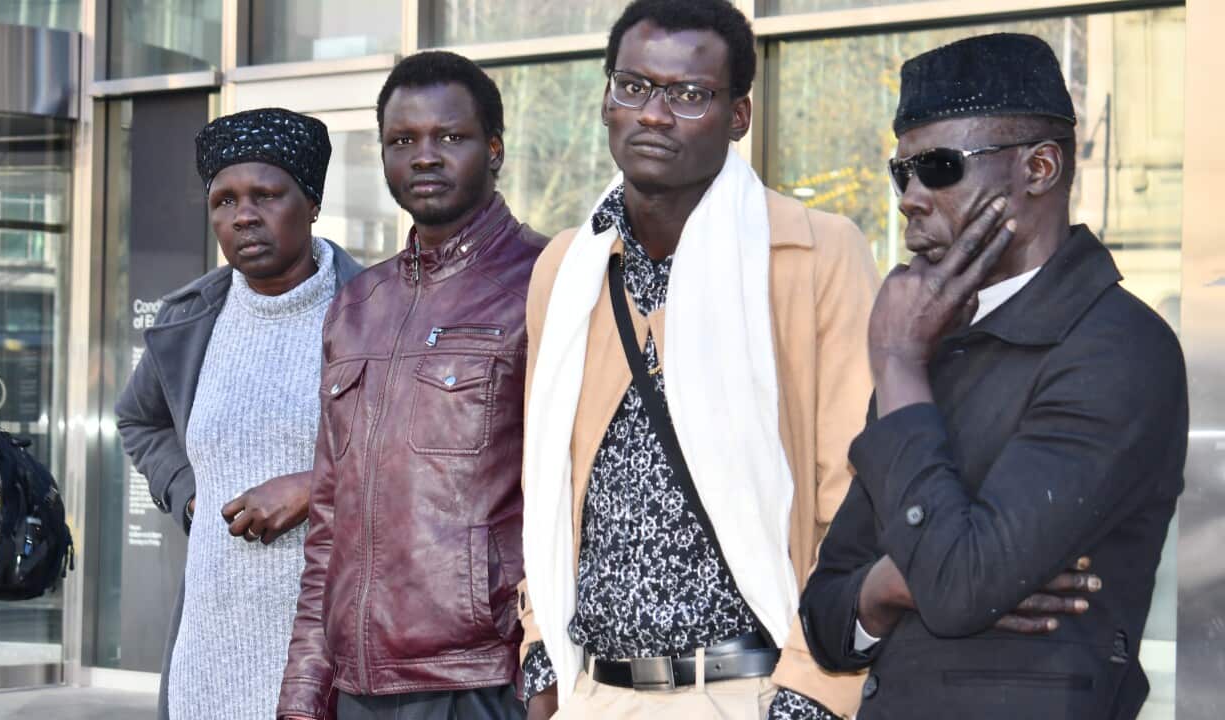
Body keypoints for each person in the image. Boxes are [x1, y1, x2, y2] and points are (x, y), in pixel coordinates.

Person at [800, 33, 1188, 720]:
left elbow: (955, 588)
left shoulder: (1118, 347)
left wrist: (894, 365)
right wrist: (891, 585)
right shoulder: (931, 343)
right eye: (902, 173)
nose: (910, 199)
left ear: (1039, 167)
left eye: (939, 167)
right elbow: (827, 617)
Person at [517, 1, 879, 718]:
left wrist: (816, 691)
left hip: (752, 690)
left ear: (739, 115)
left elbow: (856, 492)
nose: (653, 114)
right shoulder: (568, 267)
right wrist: (539, 657)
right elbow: (545, 480)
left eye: (688, 95)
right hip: (593, 690)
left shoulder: (815, 252)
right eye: (633, 86)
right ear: (605, 98)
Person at [277, 51, 547, 720]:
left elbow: (575, 499)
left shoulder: (545, 282)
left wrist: (545, 673)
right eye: (403, 141)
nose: (424, 156)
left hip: (483, 677)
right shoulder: (358, 304)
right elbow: (331, 518)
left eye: (449, 137)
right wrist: (305, 689)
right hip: (360, 682)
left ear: (495, 148)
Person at [115, 107, 363, 720]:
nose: (242, 215)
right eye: (223, 200)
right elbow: (137, 421)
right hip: (208, 642)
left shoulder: (373, 311)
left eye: (265, 195)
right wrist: (188, 494)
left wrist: (313, 488)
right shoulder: (190, 320)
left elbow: (421, 456)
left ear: (311, 203)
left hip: (333, 648)